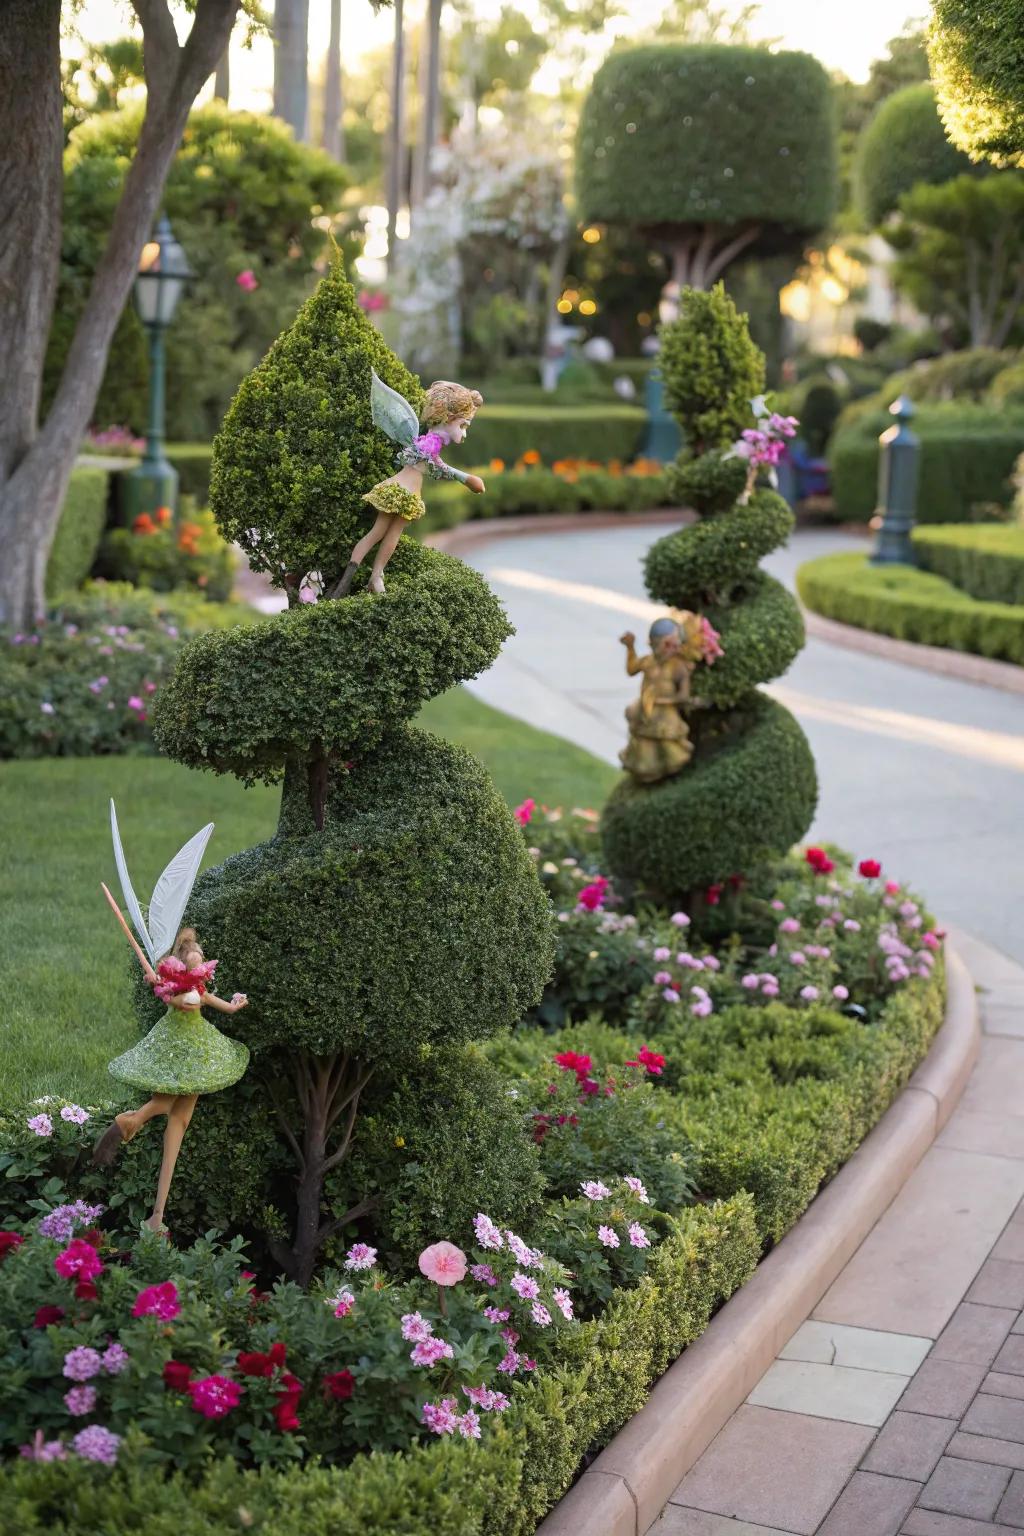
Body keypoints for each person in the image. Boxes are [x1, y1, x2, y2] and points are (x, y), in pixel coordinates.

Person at [93, 927, 249, 1233]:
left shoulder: (195, 989)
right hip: (183, 1055)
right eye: (195, 965)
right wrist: (162, 985)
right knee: (168, 1108)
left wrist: (236, 1001)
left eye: (201, 965)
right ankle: (132, 1121)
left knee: (177, 1121)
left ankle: (158, 1214)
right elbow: (186, 999)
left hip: (195, 1055)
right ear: (184, 965)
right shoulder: (184, 990)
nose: (200, 970)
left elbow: (225, 1007)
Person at [332, 376, 485, 597]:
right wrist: (465, 478)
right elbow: (437, 465)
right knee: (378, 532)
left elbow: (434, 466)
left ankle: (376, 577)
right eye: (463, 425)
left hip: (410, 492)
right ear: (450, 418)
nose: (464, 433)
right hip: (401, 490)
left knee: (391, 534)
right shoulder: (429, 443)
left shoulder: (430, 442)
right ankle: (346, 583)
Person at [619, 616, 703, 784]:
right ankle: (647, 775)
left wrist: (661, 702)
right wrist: (630, 647)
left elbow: (683, 696)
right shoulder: (648, 661)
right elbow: (632, 669)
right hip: (645, 713)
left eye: (672, 645)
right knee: (643, 748)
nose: (667, 649)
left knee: (668, 749)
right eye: (663, 644)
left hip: (665, 716)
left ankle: (671, 776)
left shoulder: (678, 667)